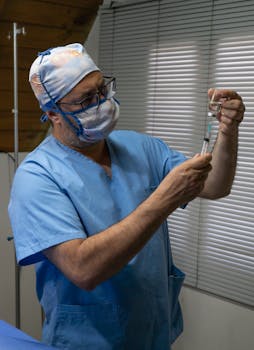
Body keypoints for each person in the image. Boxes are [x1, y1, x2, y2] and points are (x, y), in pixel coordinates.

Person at [8, 43, 245, 350]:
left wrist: (228, 130)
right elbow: (83, 269)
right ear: (53, 113)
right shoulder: (37, 177)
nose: (102, 102)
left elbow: (215, 185)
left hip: (152, 334)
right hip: (87, 341)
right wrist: (165, 198)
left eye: (102, 89)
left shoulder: (140, 148)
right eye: (87, 99)